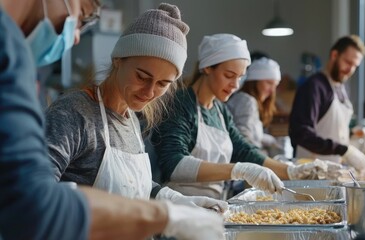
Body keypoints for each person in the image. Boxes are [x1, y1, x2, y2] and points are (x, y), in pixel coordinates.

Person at [0, 1, 224, 239]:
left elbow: (134, 188)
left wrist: (173, 199)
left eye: (162, 84)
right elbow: (32, 201)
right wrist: (163, 215)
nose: (149, 92)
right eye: (142, 76)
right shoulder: (73, 114)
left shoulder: (132, 120)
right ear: (118, 59)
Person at [150, 33, 343, 200]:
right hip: (180, 211)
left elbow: (243, 150)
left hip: (215, 205)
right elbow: (173, 164)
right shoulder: (180, 104)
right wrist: (238, 170)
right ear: (207, 68)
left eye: (240, 77)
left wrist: (291, 172)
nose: (235, 84)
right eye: (229, 75)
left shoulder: (220, 110)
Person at [289, 35, 365, 171]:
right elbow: (301, 133)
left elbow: (330, 129)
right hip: (311, 173)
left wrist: (352, 134)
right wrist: (343, 150)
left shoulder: (340, 88)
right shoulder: (314, 87)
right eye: (347, 62)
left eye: (354, 66)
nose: (350, 69)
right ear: (334, 55)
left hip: (333, 170)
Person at [227, 57, 281, 151]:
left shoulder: (248, 101)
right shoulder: (246, 101)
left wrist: (270, 140)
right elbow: (244, 138)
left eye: (275, 85)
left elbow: (251, 133)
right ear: (255, 81)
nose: (272, 90)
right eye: (269, 83)